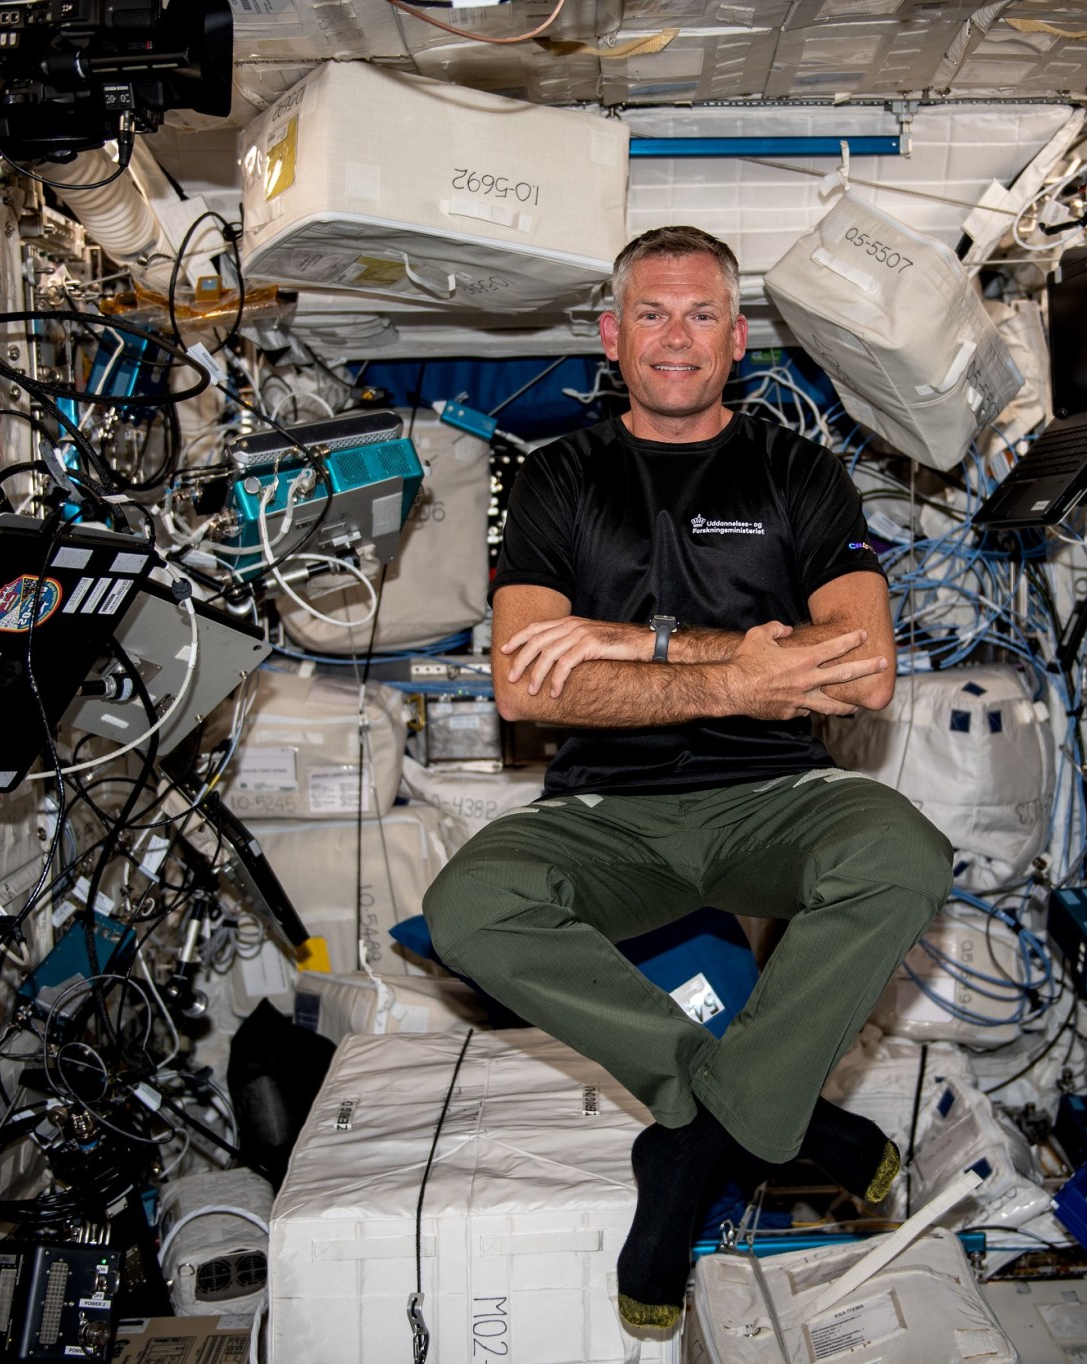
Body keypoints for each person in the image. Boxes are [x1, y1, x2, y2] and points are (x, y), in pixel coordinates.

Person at [422, 225, 953, 1332]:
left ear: (736, 337)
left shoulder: (796, 472)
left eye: (700, 313)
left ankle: (689, 1143)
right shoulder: (557, 479)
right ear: (612, 337)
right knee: (469, 904)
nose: (676, 337)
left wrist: (609, 645)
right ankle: (773, 1117)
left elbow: (858, 672)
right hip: (604, 812)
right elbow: (526, 688)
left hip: (774, 798)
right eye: (651, 315)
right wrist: (721, 662)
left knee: (901, 851)